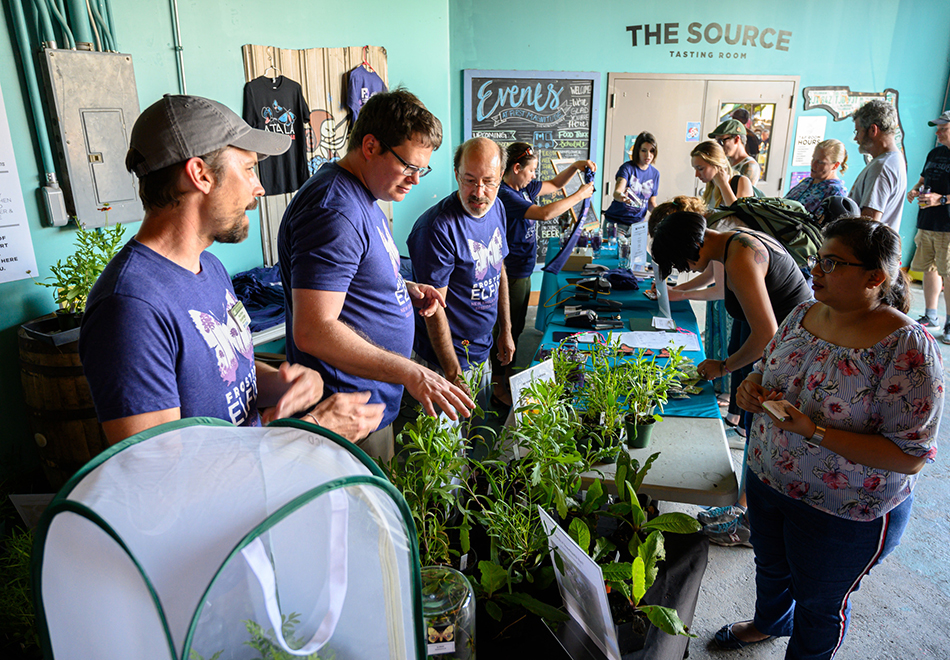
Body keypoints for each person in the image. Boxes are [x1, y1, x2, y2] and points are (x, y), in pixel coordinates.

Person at [80, 94, 384, 446]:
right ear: (201, 175)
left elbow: (218, 379)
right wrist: (317, 429)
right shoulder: (130, 308)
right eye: (250, 168)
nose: (260, 188)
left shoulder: (208, 265)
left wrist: (283, 384)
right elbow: (160, 475)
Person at [718, 218, 942, 658]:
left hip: (844, 510)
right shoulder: (802, 313)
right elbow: (769, 367)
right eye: (818, 260)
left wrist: (814, 431)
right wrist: (751, 386)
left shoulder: (907, 348)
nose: (815, 272)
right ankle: (769, 623)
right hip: (768, 480)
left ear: (875, 278)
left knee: (820, 604)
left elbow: (910, 457)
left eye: (832, 264)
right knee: (772, 568)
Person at [277, 88, 473, 461]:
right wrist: (411, 372)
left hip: (371, 403)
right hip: (348, 413)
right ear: (370, 146)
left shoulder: (361, 194)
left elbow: (352, 278)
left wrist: (401, 287)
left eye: (423, 168)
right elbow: (314, 329)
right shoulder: (333, 210)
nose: (416, 180)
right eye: (409, 166)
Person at [651, 208, 813, 545]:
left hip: (795, 356)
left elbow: (767, 333)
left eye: (682, 263)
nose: (687, 270)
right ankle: (742, 509)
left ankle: (751, 526)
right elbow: (725, 292)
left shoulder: (740, 256)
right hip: (788, 349)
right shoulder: (732, 242)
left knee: (769, 439)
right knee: (758, 436)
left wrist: (724, 365)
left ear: (692, 248)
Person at [407, 137, 514, 401]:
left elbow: (498, 268)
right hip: (443, 360)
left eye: (489, 181)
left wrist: (505, 330)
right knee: (446, 441)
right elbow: (433, 310)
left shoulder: (497, 207)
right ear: (456, 174)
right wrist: (453, 375)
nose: (479, 192)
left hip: (480, 351)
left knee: (477, 436)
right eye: (469, 180)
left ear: (501, 177)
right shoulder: (436, 228)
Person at [490, 143, 595, 406]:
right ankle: (497, 385)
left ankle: (506, 374)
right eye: (531, 170)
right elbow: (545, 213)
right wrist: (580, 195)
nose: (534, 176)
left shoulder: (523, 187)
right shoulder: (506, 195)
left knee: (515, 328)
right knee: (506, 329)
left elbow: (555, 185)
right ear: (516, 168)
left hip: (522, 271)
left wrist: (574, 167)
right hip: (510, 273)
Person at [906, 110, 950, 338]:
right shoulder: (935, 153)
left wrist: (941, 199)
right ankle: (930, 314)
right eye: (938, 128)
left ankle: (949, 323)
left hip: (947, 227)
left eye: (944, 128)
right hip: (926, 222)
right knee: (929, 269)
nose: (938, 132)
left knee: (948, 273)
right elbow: (924, 179)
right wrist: (915, 190)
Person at [848, 99, 907, 231]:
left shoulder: (882, 166)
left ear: (873, 130)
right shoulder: (893, 160)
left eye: (858, 131)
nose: (856, 138)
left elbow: (868, 225)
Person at [603, 131, 660, 229]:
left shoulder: (655, 173)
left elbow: (651, 203)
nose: (648, 155)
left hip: (638, 225)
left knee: (643, 245)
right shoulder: (627, 168)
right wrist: (621, 196)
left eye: (651, 151)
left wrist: (662, 214)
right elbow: (617, 191)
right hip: (617, 223)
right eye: (644, 150)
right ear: (637, 150)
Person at [784, 139, 849, 214]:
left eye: (820, 162)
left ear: (835, 165)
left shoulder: (836, 192)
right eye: (813, 159)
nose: (813, 165)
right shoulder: (807, 181)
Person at [691, 140, 753, 209]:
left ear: (716, 164)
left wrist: (724, 185)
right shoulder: (711, 185)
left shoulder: (741, 181)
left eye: (700, 169)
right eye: (695, 169)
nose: (696, 174)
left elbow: (740, 215)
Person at [709, 119, 761, 186]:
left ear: (736, 139)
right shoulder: (725, 161)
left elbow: (743, 194)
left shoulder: (749, 165)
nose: (719, 146)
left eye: (721, 141)